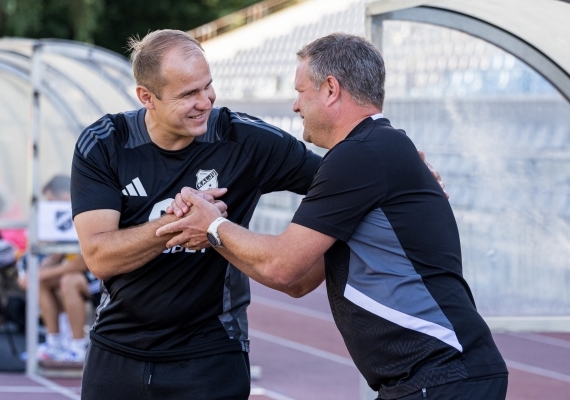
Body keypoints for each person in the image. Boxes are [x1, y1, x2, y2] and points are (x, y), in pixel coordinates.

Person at [71, 29, 446, 399]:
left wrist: (408, 177)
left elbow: (348, 181)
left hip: (210, 353)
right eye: (189, 94)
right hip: (116, 351)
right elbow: (100, 257)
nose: (206, 100)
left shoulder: (245, 138)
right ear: (146, 97)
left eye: (208, 86)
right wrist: (177, 223)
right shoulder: (104, 144)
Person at [158, 33, 508, 400]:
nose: (295, 106)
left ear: (330, 89)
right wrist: (212, 233)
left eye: (300, 91)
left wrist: (213, 225)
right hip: (434, 377)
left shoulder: (359, 155)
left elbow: (281, 265)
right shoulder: (374, 151)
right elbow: (297, 282)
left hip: (441, 374)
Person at [18, 175, 101, 362]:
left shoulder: (87, 211)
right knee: (42, 282)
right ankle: (54, 343)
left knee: (68, 281)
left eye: (51, 199)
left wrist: (41, 274)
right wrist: (35, 273)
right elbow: (56, 253)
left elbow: (82, 263)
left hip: (101, 275)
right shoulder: (62, 220)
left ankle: (78, 346)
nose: (49, 204)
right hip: (80, 274)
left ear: (65, 194)